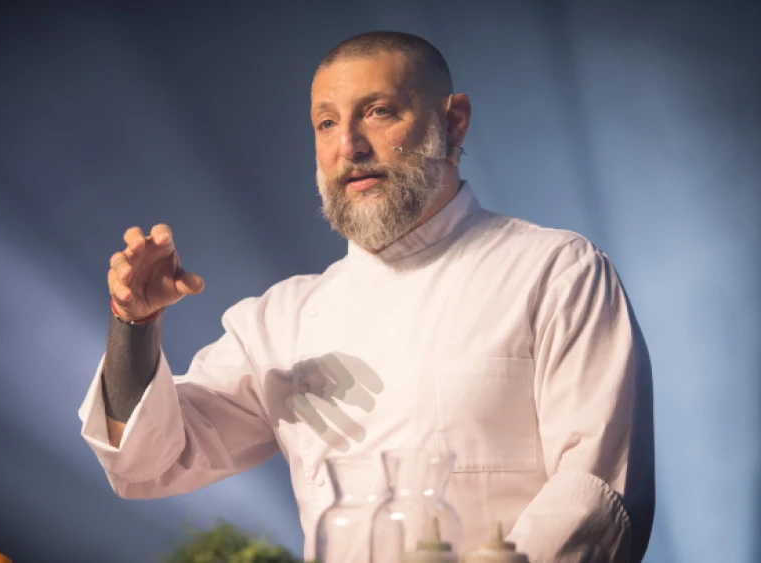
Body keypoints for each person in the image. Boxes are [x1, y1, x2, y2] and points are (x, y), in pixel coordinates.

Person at [78, 30, 655, 562]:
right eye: (326, 123)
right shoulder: (283, 320)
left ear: (454, 122)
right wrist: (134, 324)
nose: (349, 145)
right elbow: (147, 463)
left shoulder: (554, 272)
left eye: (379, 112)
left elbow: (599, 490)